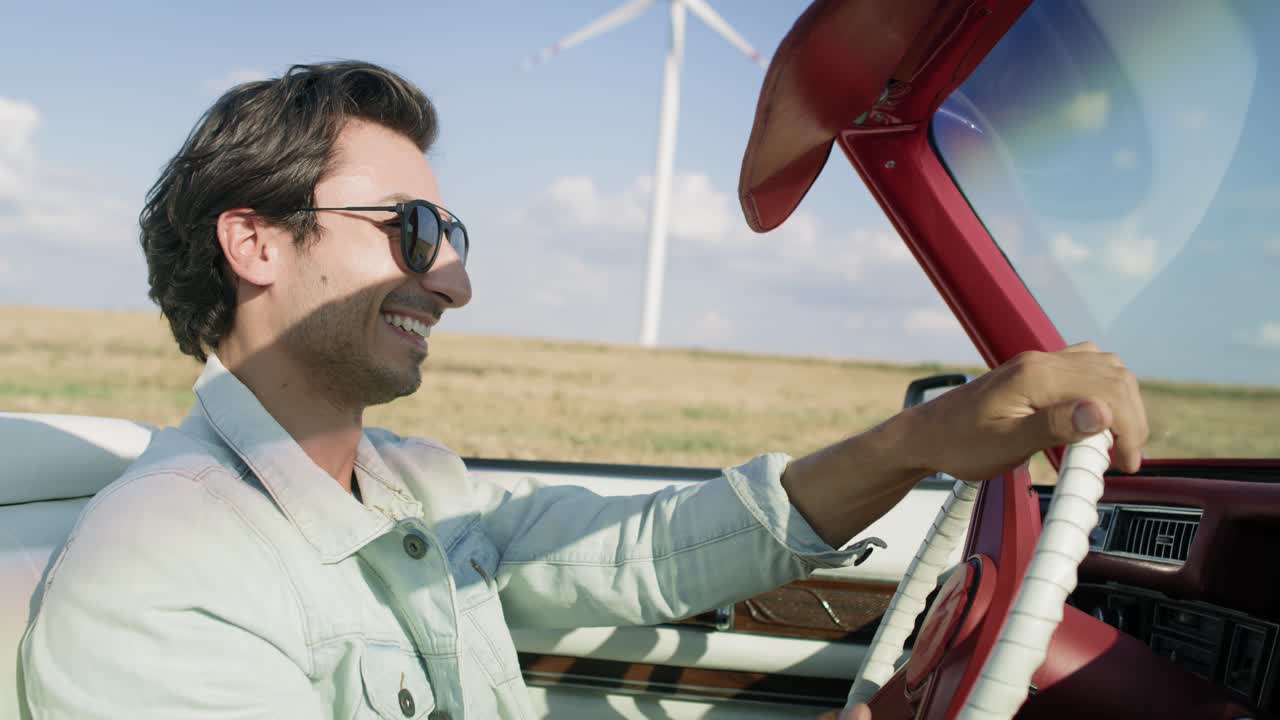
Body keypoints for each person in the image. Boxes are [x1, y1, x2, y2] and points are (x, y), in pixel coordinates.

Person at [18, 61, 1147, 719]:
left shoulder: (416, 485)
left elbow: (650, 551)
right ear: (255, 244)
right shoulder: (160, 579)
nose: (453, 278)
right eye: (411, 231)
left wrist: (919, 442)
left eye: (451, 234)